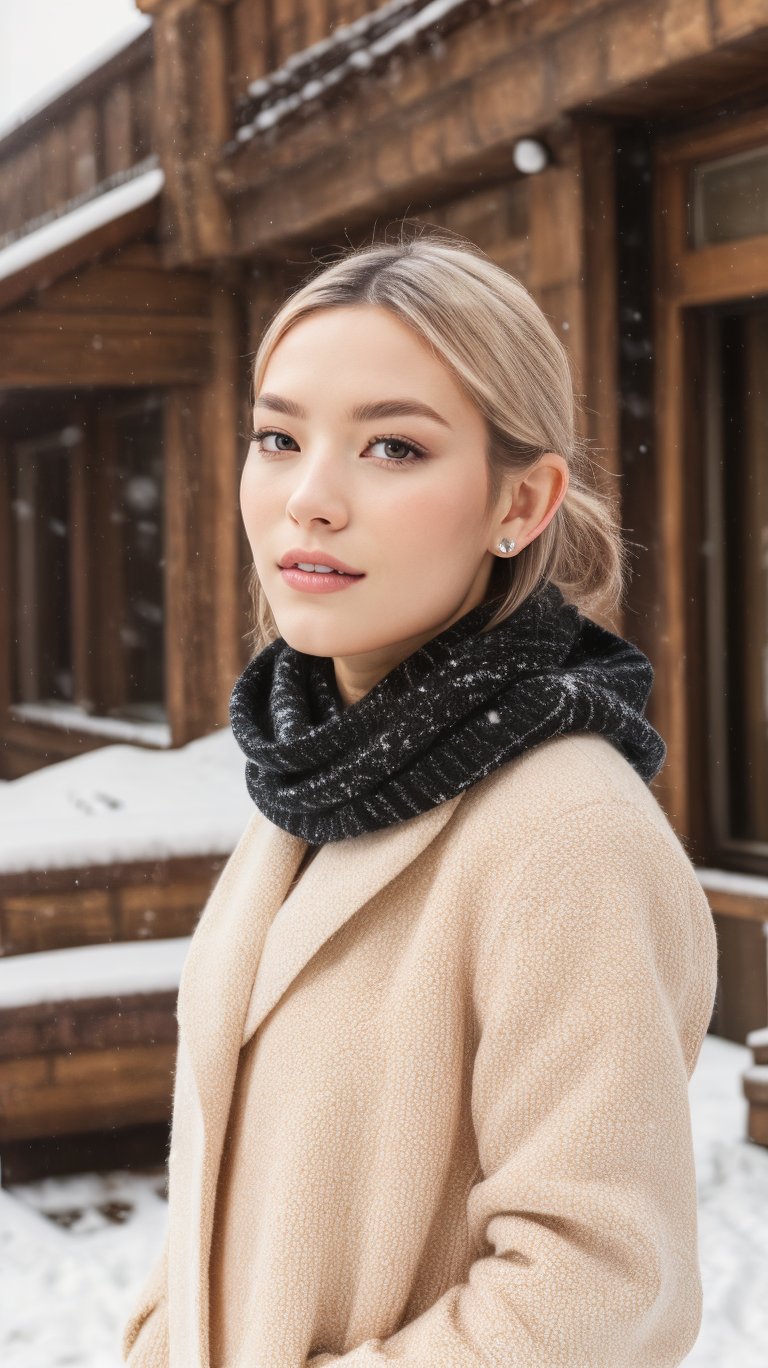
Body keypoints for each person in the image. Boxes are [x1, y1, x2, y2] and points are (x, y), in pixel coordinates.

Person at [121, 229, 718, 1368]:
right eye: (278, 437)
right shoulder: (317, 775)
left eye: (393, 446)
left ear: (523, 501)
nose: (309, 498)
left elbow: (601, 1288)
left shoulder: (562, 826)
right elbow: (229, 1180)